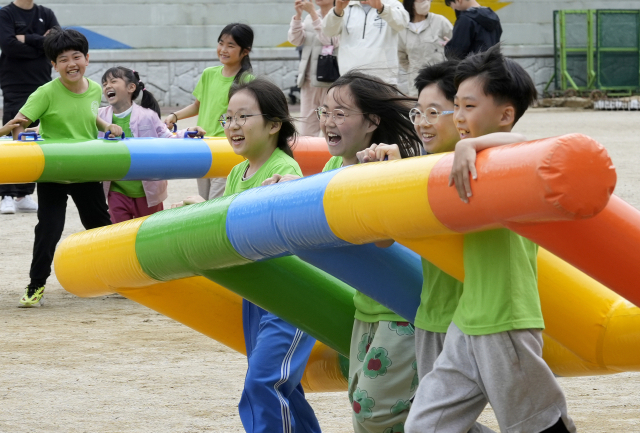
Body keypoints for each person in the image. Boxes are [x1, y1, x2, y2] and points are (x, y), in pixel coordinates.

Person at [404, 45, 577, 433]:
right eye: (458, 107)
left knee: (535, 425)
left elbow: (535, 146)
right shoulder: (462, 160)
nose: (460, 117)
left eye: (469, 106)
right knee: (425, 426)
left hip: (505, 316)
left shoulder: (510, 161)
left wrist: (471, 143)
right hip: (467, 320)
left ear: (505, 115)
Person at [360, 60, 528, 433]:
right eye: (417, 112)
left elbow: (524, 143)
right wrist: (382, 176)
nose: (420, 122)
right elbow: (382, 237)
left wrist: (471, 145)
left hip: (492, 319)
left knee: (527, 419)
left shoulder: (488, 161)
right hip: (435, 315)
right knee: (434, 423)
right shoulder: (425, 166)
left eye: (435, 112)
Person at [264, 71, 421, 433]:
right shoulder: (336, 165)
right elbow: (327, 196)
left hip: (403, 311)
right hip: (366, 308)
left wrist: (383, 173)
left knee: (373, 411)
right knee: (371, 414)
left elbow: (384, 236)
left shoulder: (390, 165)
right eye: (323, 111)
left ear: (372, 121)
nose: (327, 122)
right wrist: (297, 186)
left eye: (340, 113)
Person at [172, 77, 322, 433]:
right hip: (259, 296)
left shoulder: (283, 171)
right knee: (283, 388)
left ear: (273, 125)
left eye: (243, 117)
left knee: (263, 384)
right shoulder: (239, 171)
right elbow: (228, 222)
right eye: (227, 118)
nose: (232, 126)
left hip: (290, 295)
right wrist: (201, 210)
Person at [11, 27, 123, 307]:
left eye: (76, 56)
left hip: (86, 171)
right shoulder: (45, 93)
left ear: (87, 58)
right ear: (53, 65)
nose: (71, 64)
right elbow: (19, 123)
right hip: (53, 173)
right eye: (63, 59)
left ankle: (118, 280)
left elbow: (87, 116)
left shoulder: (95, 88)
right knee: (48, 230)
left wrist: (107, 125)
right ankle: (36, 285)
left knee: (101, 228)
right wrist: (12, 130)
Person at [99, 66, 205, 224]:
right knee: (119, 233)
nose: (107, 86)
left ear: (131, 87)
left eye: (113, 81)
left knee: (150, 230)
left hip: (147, 191)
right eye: (104, 83)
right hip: (116, 190)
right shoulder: (100, 117)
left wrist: (187, 132)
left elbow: (166, 137)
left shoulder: (147, 116)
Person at [164, 23, 253, 202]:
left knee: (215, 203)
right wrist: (175, 116)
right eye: (221, 43)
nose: (223, 49)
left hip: (227, 148)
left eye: (231, 45)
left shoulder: (247, 81)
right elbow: (198, 105)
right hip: (202, 145)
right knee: (202, 199)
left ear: (245, 51)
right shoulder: (209, 74)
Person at [0, 0, 58, 214]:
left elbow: (55, 43)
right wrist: (40, 44)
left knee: (35, 137)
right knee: (14, 131)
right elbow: (8, 46)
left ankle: (23, 194)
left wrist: (26, 39)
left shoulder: (46, 13)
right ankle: (5, 193)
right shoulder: (6, 14)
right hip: (15, 83)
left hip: (41, 81)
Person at [322, 0, 409, 86]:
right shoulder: (346, 4)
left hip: (383, 80)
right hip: (349, 78)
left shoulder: (391, 3)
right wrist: (337, 11)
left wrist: (382, 8)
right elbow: (328, 32)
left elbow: (402, 23)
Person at [288, 0, 339, 136]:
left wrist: (312, 14)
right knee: (306, 129)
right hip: (309, 80)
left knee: (328, 126)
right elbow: (295, 40)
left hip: (329, 80)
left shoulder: (339, 16)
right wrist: (298, 16)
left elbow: (330, 41)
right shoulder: (310, 17)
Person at [398, 0, 452, 96]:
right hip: (416, 84)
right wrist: (414, 70)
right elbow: (401, 56)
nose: (426, 3)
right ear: (411, 3)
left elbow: (455, 46)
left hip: (441, 82)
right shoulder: (403, 29)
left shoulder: (440, 21)